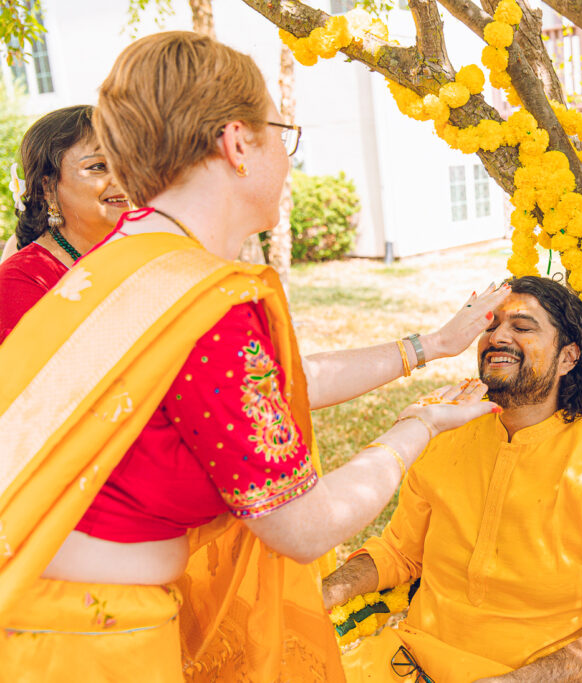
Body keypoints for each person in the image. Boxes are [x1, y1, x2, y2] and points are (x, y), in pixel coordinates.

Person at [0, 31, 510, 682]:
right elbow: (304, 526)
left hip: (46, 607)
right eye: (282, 133)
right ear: (238, 143)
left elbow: (258, 395)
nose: (288, 159)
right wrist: (421, 426)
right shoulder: (203, 309)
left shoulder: (128, 264)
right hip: (87, 640)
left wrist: (427, 347)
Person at [325, 275, 582, 683]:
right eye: (490, 325)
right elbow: (400, 552)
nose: (498, 337)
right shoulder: (444, 433)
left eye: (522, 327)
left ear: (568, 358)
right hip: (409, 662)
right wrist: (324, 591)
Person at [0, 105, 129, 342]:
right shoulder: (20, 280)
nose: (121, 177)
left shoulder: (147, 250)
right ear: (48, 188)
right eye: (98, 167)